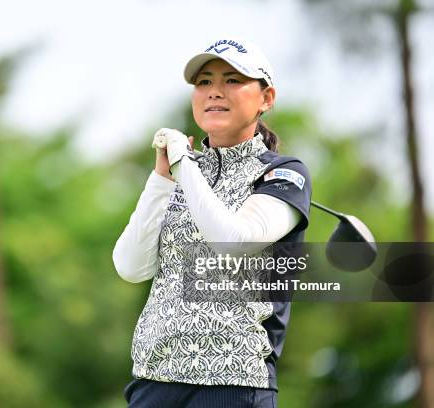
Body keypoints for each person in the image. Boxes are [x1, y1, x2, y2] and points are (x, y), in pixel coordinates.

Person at [112, 37, 312, 408]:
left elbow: (233, 242)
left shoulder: (282, 174)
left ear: (266, 98)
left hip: (233, 383)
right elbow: (130, 266)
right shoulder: (182, 170)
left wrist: (184, 167)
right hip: (156, 378)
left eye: (232, 80)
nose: (214, 92)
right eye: (204, 82)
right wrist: (160, 181)